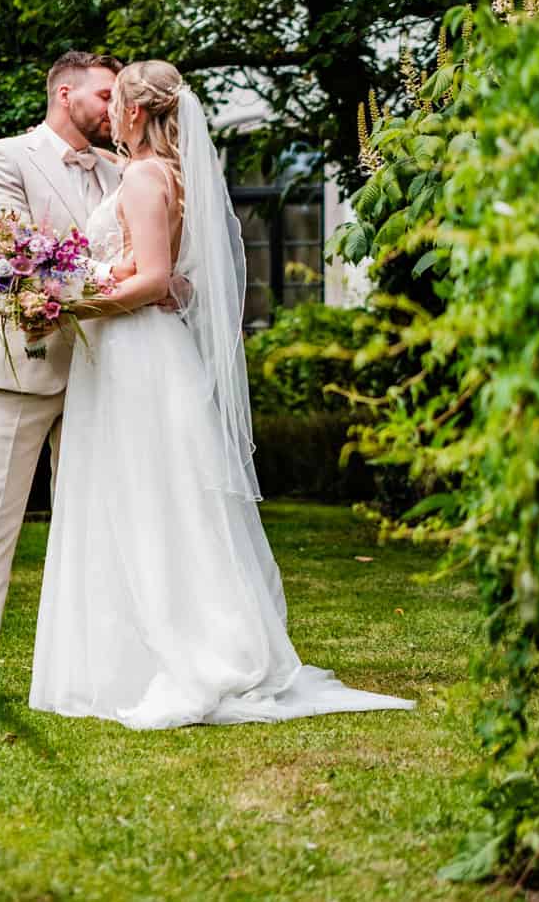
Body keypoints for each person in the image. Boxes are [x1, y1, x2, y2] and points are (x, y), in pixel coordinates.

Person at [28, 60, 416, 728]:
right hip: (131, 354)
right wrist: (93, 281)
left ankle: (191, 651)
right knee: (139, 500)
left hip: (139, 356)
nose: (113, 115)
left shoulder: (147, 176)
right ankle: (123, 654)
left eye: (118, 102)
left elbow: (152, 279)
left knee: (153, 504)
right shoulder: (161, 175)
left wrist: (73, 305)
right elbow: (147, 268)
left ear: (138, 114)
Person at [0, 51, 124, 711]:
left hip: (110, 369)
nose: (112, 107)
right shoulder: (4, 158)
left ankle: (91, 668)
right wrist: (116, 280)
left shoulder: (123, 170)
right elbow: (15, 251)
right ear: (65, 93)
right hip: (24, 365)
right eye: (102, 95)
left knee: (96, 520)